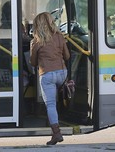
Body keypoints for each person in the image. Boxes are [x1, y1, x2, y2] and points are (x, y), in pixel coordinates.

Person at [30, 12, 70, 145]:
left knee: (51, 104)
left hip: (47, 74)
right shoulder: (59, 36)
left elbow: (34, 63)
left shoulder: (36, 41)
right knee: (56, 99)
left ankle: (57, 133)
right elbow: (67, 56)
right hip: (62, 73)